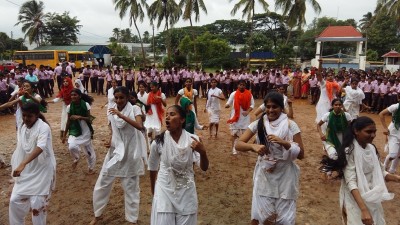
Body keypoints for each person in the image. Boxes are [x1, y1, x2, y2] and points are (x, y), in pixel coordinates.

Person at [235, 92, 304, 225]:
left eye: (274, 107)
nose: (271, 110)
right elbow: (238, 144)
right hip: (264, 176)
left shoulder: (291, 125)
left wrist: (285, 143)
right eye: (268, 107)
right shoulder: (258, 124)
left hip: (285, 177)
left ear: (281, 108)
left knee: (284, 219)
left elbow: (301, 154)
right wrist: (252, 147)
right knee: (261, 217)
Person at [324, 116, 400, 225]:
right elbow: (351, 182)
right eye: (368, 132)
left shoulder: (372, 149)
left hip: (372, 196)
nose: (373, 135)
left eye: (374, 132)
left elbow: (381, 172)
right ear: (356, 131)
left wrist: (397, 178)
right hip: (354, 199)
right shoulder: (349, 151)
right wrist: (364, 210)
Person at [90, 86, 147, 225]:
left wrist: (121, 115)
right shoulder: (112, 110)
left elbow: (140, 126)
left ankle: (132, 220)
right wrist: (111, 140)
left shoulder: (135, 109)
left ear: (127, 97)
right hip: (115, 152)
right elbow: (113, 129)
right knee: (102, 183)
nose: (119, 100)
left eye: (121, 97)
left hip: (131, 152)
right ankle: (97, 215)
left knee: (131, 188)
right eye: (116, 97)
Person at [148, 105, 209, 225]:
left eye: (172, 114)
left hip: (186, 190)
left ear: (182, 120)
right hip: (164, 188)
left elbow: (204, 167)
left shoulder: (193, 140)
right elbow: (152, 167)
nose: (167, 118)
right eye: (166, 115)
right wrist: (154, 190)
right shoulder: (158, 142)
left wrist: (203, 152)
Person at [9, 102, 56, 225]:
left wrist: (22, 164)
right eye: (24, 116)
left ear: (36, 115)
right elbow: (22, 147)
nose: (25, 119)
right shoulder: (23, 127)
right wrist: (22, 164)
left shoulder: (43, 127)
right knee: (14, 200)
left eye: (29, 116)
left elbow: (40, 147)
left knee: (37, 206)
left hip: (42, 170)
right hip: (28, 170)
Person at [62, 89, 96, 173]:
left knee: (88, 152)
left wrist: (79, 117)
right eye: (72, 95)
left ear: (80, 96)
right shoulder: (69, 107)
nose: (73, 96)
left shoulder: (86, 105)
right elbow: (68, 121)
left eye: (75, 95)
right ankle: (76, 158)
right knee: (71, 146)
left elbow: (90, 119)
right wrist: (64, 135)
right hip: (74, 129)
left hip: (85, 130)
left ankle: (91, 168)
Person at [317, 99, 352, 171]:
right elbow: (318, 125)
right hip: (330, 137)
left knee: (344, 155)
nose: (338, 106)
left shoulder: (346, 115)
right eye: (336, 105)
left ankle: (341, 170)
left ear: (342, 106)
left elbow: (351, 127)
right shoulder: (328, 115)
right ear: (332, 106)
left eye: (339, 105)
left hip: (343, 137)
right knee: (333, 155)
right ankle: (327, 169)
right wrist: (321, 134)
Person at [225, 79, 254, 155]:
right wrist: (227, 105)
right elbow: (228, 102)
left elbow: (252, 105)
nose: (242, 86)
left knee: (245, 134)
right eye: (240, 85)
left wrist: (248, 111)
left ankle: (243, 148)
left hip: (245, 118)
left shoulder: (249, 94)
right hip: (235, 117)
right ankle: (234, 148)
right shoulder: (233, 94)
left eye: (243, 85)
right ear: (237, 85)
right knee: (234, 134)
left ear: (245, 86)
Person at [379, 99, 400, 174]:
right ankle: (384, 167)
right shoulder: (395, 107)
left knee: (398, 153)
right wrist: (385, 128)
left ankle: (392, 169)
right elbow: (381, 114)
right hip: (394, 132)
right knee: (393, 155)